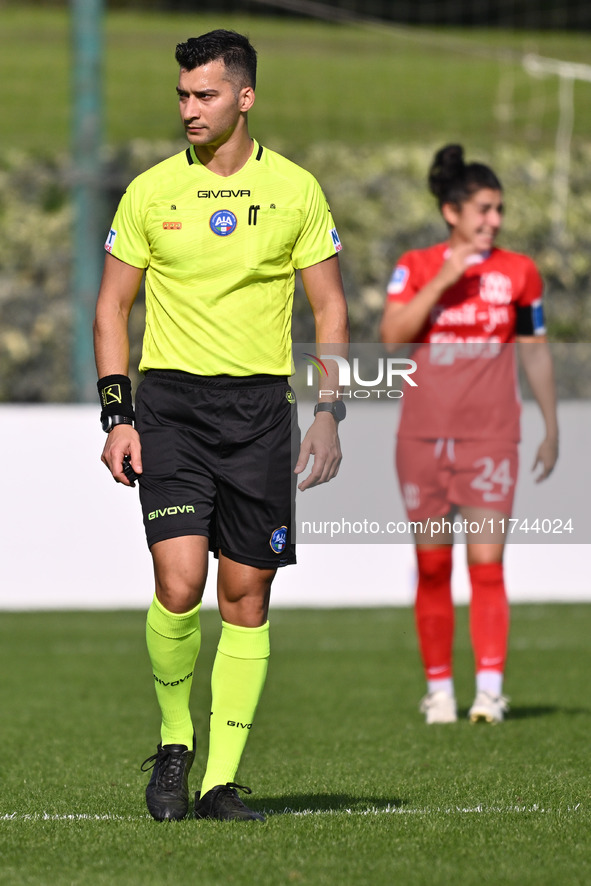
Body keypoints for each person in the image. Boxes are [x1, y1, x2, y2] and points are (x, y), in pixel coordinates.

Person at [93, 29, 349, 822]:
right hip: (169, 409)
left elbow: (330, 306)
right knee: (178, 584)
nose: (189, 109)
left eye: (204, 95)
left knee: (245, 599)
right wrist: (117, 415)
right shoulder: (149, 191)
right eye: (182, 95)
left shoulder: (298, 191)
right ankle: (176, 747)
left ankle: (220, 785)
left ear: (244, 97)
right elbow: (111, 306)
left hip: (261, 416)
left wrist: (330, 412)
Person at [380, 144, 558, 725]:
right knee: (433, 567)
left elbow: (534, 352)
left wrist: (551, 425)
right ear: (452, 211)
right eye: (485, 208)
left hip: (490, 441)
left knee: (487, 565)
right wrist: (445, 281)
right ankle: (439, 692)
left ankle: (488, 691)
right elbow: (391, 340)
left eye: (499, 209)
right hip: (423, 442)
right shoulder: (417, 265)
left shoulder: (519, 273)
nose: (495, 221)